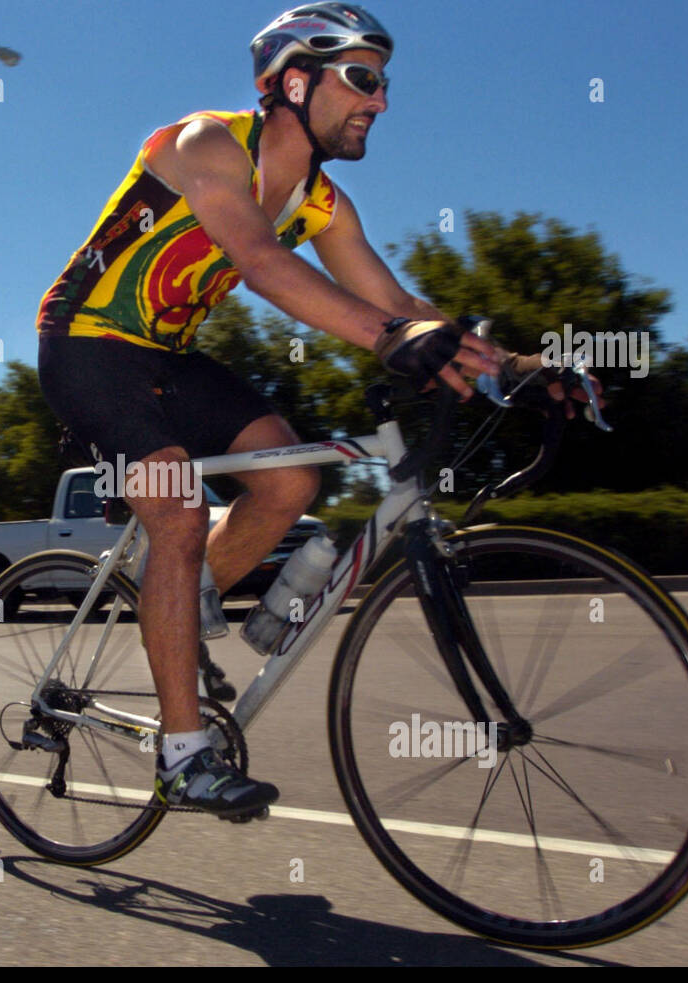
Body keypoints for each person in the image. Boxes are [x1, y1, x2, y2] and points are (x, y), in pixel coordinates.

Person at [36, 4, 513, 818]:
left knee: (291, 479)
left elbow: (399, 301)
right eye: (361, 79)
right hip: (84, 342)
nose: (381, 100)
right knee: (178, 513)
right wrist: (386, 340)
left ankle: (178, 614)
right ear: (293, 82)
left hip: (167, 355)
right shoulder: (205, 144)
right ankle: (181, 758)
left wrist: (517, 365)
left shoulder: (323, 203)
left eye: (384, 82)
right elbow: (257, 262)